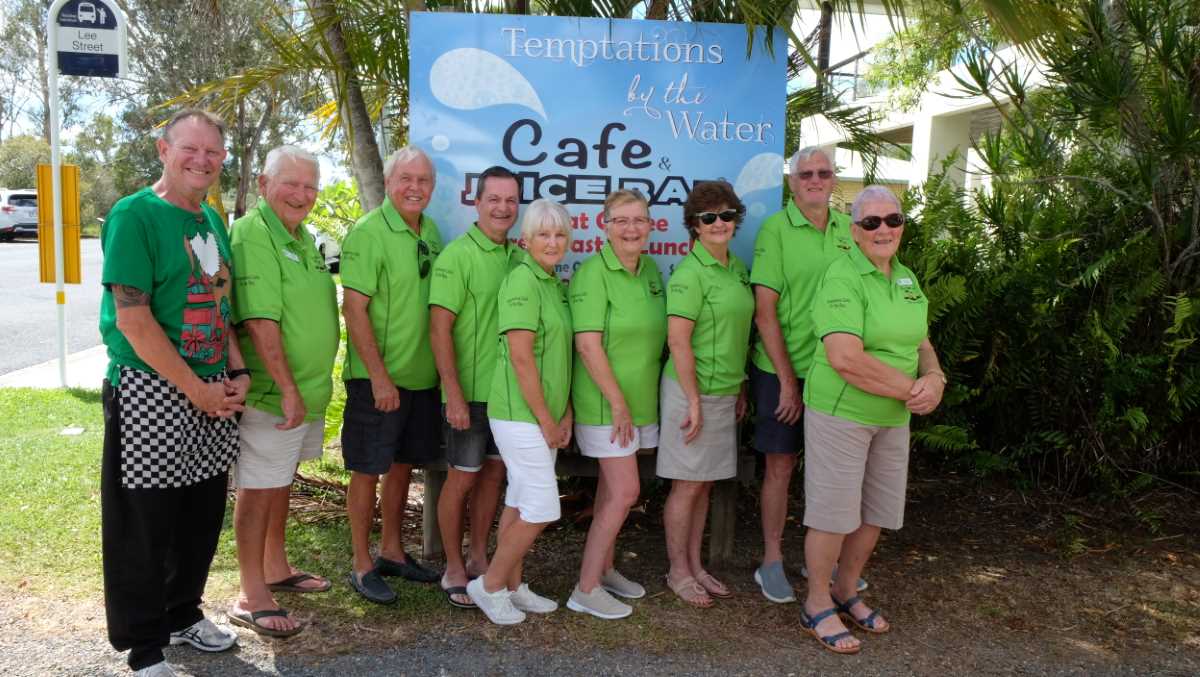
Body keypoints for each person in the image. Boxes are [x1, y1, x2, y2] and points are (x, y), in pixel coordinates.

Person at [98, 109, 243, 676]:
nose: (201, 160)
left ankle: (183, 613)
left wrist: (236, 371)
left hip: (212, 387)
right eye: (190, 148)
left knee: (199, 515)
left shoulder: (210, 220)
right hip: (150, 387)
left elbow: (221, 302)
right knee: (145, 521)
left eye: (212, 152)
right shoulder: (134, 215)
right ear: (163, 150)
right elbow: (133, 320)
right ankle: (144, 646)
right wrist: (195, 391)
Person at [799, 185, 945, 654]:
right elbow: (845, 357)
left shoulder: (906, 277)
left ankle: (847, 589)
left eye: (893, 220)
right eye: (871, 222)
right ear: (855, 230)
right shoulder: (841, 277)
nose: (884, 229)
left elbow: (921, 342)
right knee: (833, 514)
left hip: (893, 416)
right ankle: (817, 602)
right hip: (843, 412)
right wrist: (913, 391)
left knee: (875, 511)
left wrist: (935, 377)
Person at [227, 145, 339, 637]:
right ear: (263, 185)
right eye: (290, 183)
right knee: (257, 487)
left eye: (310, 186)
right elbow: (259, 321)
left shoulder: (302, 236)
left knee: (280, 481)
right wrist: (289, 389)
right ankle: (251, 593)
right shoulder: (254, 233)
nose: (301, 194)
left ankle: (275, 566)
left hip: (305, 392)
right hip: (273, 395)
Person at [749, 146, 863, 603]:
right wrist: (787, 381)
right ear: (791, 182)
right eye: (806, 174)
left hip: (836, 372)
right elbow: (764, 313)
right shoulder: (775, 230)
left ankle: (823, 561)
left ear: (834, 180)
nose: (815, 180)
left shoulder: (850, 230)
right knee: (780, 466)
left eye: (823, 173)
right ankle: (771, 560)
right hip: (783, 370)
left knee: (831, 469)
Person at [340, 147, 443, 604]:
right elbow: (354, 309)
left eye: (423, 180)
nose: (414, 187)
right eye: (406, 178)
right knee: (367, 469)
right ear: (388, 182)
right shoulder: (368, 233)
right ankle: (362, 565)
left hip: (421, 380)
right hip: (377, 381)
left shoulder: (430, 231)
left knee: (402, 466)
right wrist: (379, 377)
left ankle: (392, 552)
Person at [467, 199, 573, 625]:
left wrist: (564, 412)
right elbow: (521, 358)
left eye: (559, 234)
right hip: (519, 414)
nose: (552, 242)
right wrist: (547, 419)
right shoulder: (522, 282)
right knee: (543, 506)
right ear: (526, 240)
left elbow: (559, 358)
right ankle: (489, 585)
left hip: (544, 415)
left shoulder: (552, 283)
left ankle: (513, 586)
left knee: (519, 498)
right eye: (543, 234)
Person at [565, 189, 667, 620]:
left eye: (638, 220)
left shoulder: (650, 271)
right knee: (627, 491)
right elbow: (588, 347)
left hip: (640, 404)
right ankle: (585, 588)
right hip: (606, 406)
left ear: (650, 225)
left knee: (612, 491)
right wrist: (619, 404)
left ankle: (604, 570)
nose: (630, 228)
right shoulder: (592, 275)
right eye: (621, 220)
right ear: (603, 226)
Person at [658, 181, 754, 608]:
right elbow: (678, 341)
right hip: (691, 393)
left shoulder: (736, 268)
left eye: (727, 215)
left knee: (704, 484)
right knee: (686, 485)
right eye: (709, 217)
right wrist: (694, 401)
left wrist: (740, 384)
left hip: (724, 390)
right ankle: (677, 571)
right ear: (694, 225)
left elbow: (737, 334)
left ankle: (695, 565)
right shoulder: (689, 274)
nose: (719, 223)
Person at [429, 166, 521, 609]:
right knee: (462, 478)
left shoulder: (519, 258)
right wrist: (453, 393)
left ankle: (479, 557)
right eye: (494, 199)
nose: (503, 208)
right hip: (467, 394)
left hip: (508, 396)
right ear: (477, 202)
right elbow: (439, 329)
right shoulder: (457, 257)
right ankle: (452, 566)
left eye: (510, 200)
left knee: (493, 476)